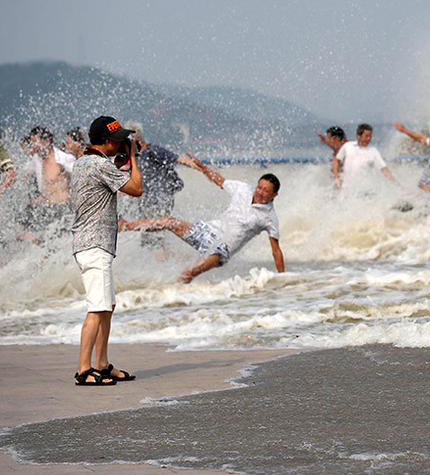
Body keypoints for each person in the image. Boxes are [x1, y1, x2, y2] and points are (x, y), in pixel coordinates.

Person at [118, 154, 285, 284]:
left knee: (189, 272)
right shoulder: (242, 189)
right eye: (260, 187)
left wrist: (283, 278)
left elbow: (276, 250)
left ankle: (169, 298)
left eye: (266, 191)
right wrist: (204, 168)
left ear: (274, 195)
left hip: (221, 250)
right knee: (169, 221)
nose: (260, 192)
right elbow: (219, 180)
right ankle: (126, 226)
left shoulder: (269, 218)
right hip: (208, 232)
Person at [70, 115, 142, 386]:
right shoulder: (99, 165)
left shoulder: (85, 161)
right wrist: (133, 159)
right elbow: (136, 188)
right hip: (94, 245)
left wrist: (120, 161)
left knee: (107, 306)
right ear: (108, 141)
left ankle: (101, 364)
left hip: (91, 244)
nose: (121, 142)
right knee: (97, 308)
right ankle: (83, 369)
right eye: (118, 139)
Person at [121, 122, 197, 252]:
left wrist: (204, 170)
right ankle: (172, 261)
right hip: (146, 204)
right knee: (153, 238)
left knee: (153, 239)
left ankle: (158, 267)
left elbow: (180, 159)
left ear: (136, 139)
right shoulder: (134, 157)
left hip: (159, 202)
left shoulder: (154, 150)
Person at [332, 123, 399, 192]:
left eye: (370, 136)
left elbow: (384, 169)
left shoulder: (373, 150)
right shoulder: (347, 146)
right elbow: (336, 160)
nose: (369, 139)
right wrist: (337, 178)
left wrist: (395, 183)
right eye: (366, 136)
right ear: (359, 135)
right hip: (346, 188)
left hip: (364, 190)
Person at [25, 126, 75, 206]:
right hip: (46, 209)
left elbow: (82, 177)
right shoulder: (36, 160)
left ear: (47, 141)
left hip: (63, 209)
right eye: (31, 143)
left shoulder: (63, 159)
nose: (33, 146)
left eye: (35, 142)